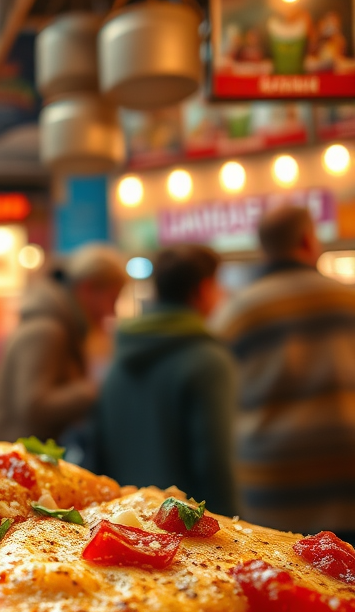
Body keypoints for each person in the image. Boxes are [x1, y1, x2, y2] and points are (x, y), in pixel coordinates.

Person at [212, 206, 355, 540]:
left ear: (263, 248)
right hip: (346, 471)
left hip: (271, 481)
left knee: (285, 568)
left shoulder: (234, 313)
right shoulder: (348, 300)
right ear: (307, 239)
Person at [93, 245, 236, 516]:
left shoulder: (121, 354)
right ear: (204, 289)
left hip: (124, 518)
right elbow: (214, 462)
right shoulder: (208, 359)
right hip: (186, 531)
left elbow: (101, 444)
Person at [0, 244, 126, 442]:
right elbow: (33, 407)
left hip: (8, 449)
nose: (113, 311)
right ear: (87, 288)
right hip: (1, 453)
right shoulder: (47, 329)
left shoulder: (57, 323)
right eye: (112, 298)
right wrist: (97, 389)